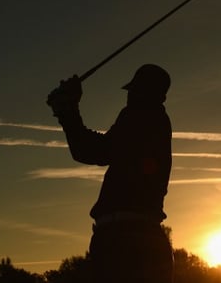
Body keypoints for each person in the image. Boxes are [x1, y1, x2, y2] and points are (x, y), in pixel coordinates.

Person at [46, 64, 174, 283]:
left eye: (134, 91)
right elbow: (97, 149)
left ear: (144, 92)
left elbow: (92, 151)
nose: (129, 97)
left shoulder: (140, 116)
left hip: (122, 239)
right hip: (144, 237)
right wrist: (68, 111)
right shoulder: (154, 121)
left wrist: (68, 111)